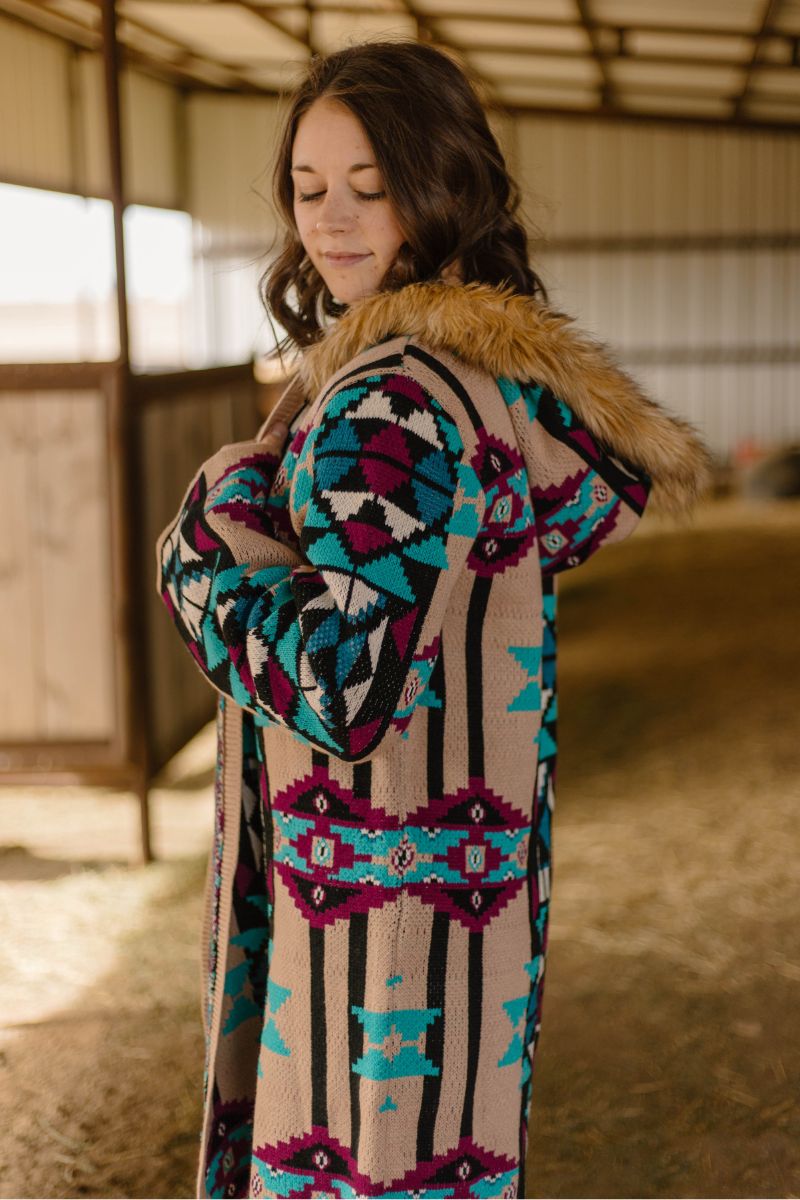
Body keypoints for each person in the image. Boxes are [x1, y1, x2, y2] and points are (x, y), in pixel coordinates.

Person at [156, 40, 711, 1200]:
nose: (329, 221)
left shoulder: (389, 403)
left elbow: (341, 691)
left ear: (441, 186)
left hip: (366, 932)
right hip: (465, 914)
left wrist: (204, 556)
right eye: (308, 188)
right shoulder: (480, 381)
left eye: (370, 186)